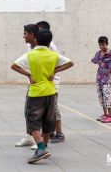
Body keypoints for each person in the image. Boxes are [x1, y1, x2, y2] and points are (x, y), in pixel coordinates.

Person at [11, 29, 73, 163]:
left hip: (36, 93)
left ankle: (41, 148)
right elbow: (70, 63)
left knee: (32, 121)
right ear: (50, 41)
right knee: (48, 121)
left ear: (36, 40)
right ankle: (44, 146)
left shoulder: (30, 55)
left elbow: (14, 66)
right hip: (51, 92)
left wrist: (28, 74)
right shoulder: (54, 55)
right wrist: (54, 71)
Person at [36, 21, 64, 144]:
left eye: (38, 30)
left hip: (52, 82)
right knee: (47, 108)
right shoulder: (41, 45)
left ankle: (59, 133)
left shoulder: (50, 46)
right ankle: (50, 131)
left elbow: (62, 63)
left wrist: (53, 72)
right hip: (45, 82)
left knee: (54, 107)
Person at [15, 24, 39, 148]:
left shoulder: (42, 49)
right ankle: (29, 137)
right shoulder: (30, 49)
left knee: (38, 115)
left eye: (25, 33)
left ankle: (39, 142)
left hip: (44, 88)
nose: (23, 36)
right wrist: (29, 75)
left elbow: (64, 63)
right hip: (33, 87)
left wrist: (53, 74)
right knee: (28, 112)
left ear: (32, 35)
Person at [91, 36, 111, 123]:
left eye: (103, 45)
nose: (102, 46)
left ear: (107, 44)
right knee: (101, 96)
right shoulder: (98, 53)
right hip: (99, 78)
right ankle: (105, 114)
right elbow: (94, 60)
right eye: (100, 45)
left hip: (107, 79)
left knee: (106, 96)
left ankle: (110, 116)